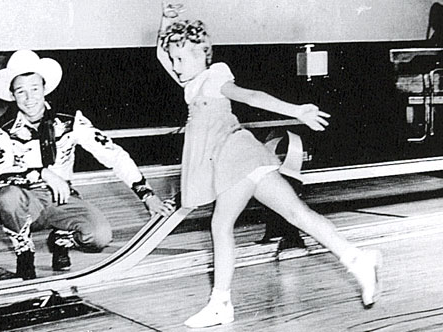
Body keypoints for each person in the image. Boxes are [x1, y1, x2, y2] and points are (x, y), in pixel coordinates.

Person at [156, 3, 383, 328]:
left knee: (221, 225)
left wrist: (296, 111)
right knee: (296, 214)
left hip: (235, 154)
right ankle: (359, 259)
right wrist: (167, 19)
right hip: (246, 156)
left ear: (202, 53)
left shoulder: (213, 77)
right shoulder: (191, 85)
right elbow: (161, 55)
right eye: (174, 59)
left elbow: (251, 96)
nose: (175, 66)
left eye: (182, 59)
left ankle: (220, 303)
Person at [0, 50, 173, 280]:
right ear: (12, 95)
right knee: (8, 198)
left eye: (34, 88)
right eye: (20, 91)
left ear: (45, 89)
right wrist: (42, 174)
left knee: (100, 236)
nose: (29, 98)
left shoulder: (70, 121)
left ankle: (61, 239)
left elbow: (114, 155)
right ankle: (24, 251)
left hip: (63, 199)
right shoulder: (2, 129)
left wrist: (147, 194)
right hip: (26, 202)